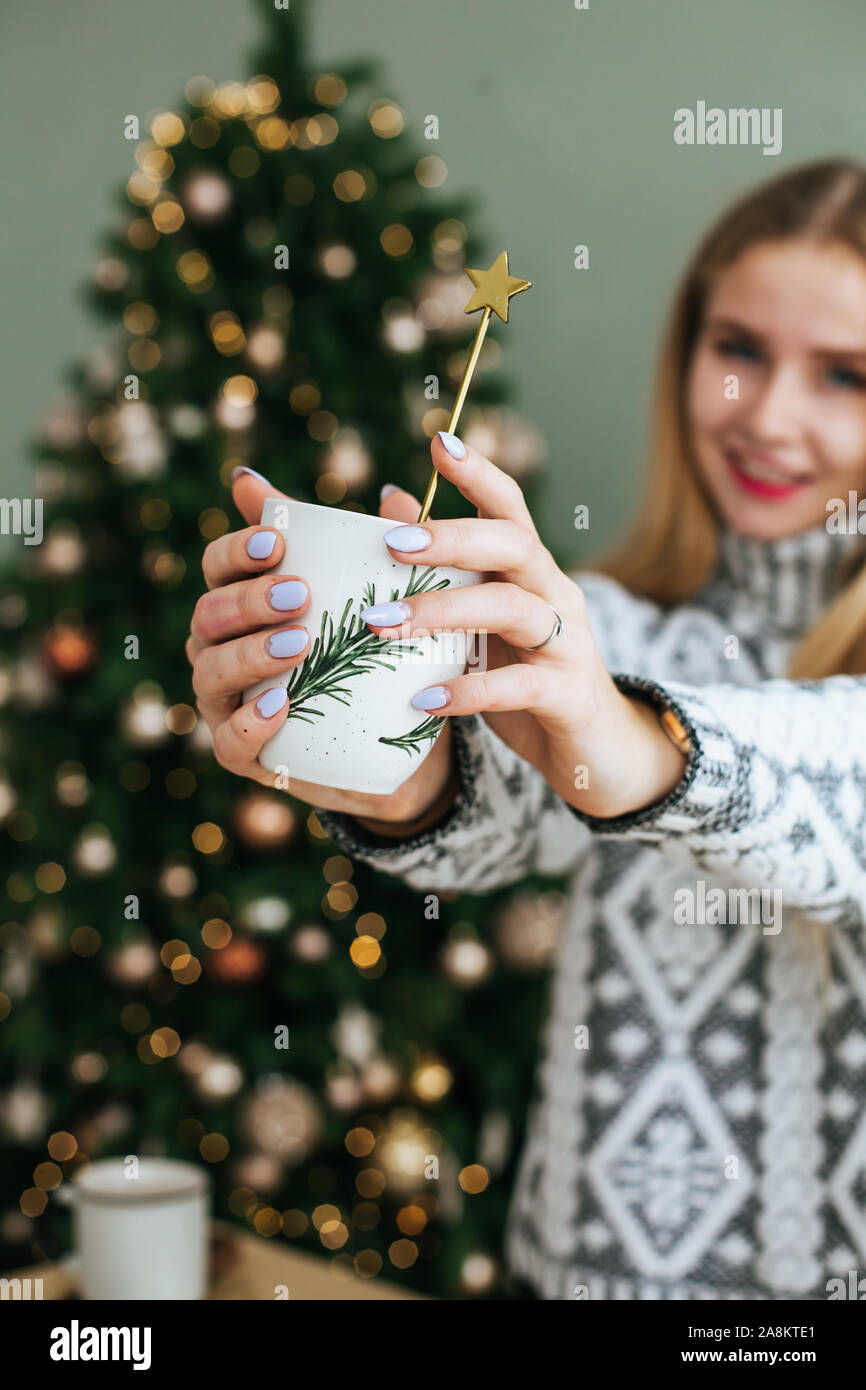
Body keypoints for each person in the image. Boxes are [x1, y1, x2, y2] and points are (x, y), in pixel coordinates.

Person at [187, 159, 866, 1300]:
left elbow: (835, 784)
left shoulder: (604, 661)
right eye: (737, 350)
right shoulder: (602, 620)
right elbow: (504, 815)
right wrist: (388, 767)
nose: (769, 415)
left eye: (845, 374)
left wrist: (619, 730)